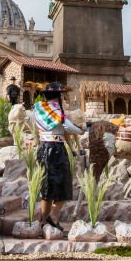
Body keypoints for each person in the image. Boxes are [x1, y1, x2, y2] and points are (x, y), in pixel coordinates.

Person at [33, 82, 83, 231]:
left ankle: (43, 221)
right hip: (56, 149)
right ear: (57, 96)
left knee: (46, 187)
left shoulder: (38, 109)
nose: (63, 97)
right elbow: (67, 126)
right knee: (63, 184)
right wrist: (81, 129)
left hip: (43, 148)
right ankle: (53, 216)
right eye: (62, 95)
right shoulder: (56, 111)